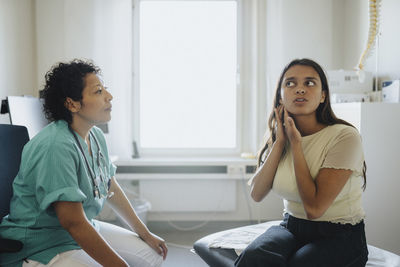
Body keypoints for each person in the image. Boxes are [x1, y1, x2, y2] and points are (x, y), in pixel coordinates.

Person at [0, 59, 167, 267]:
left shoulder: (95, 135)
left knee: (152, 254)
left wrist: (145, 233)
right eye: (98, 92)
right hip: (41, 244)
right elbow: (73, 222)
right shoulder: (55, 146)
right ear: (72, 104)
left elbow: (109, 185)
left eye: (105, 89)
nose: (109, 96)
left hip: (81, 228)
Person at [235, 58, 368, 267]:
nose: (300, 89)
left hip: (339, 234)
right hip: (291, 227)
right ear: (281, 95)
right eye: (290, 83)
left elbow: (314, 209)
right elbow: (257, 194)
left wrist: (296, 144)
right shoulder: (281, 137)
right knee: (254, 257)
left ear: (323, 95)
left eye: (309, 83)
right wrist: (280, 142)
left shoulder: (344, 137)